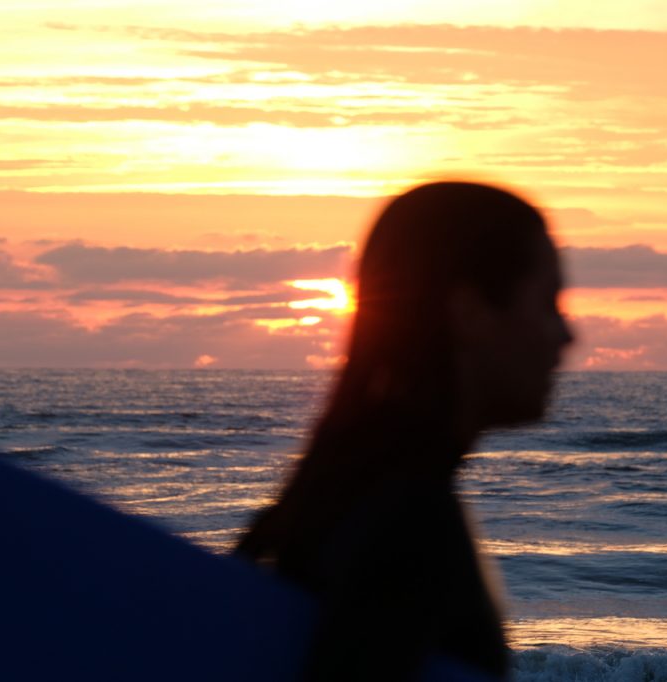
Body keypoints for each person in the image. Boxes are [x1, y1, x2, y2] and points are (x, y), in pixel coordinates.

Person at [235, 181, 574, 681]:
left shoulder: (352, 495)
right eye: (548, 302)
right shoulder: (408, 526)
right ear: (467, 312)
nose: (567, 335)